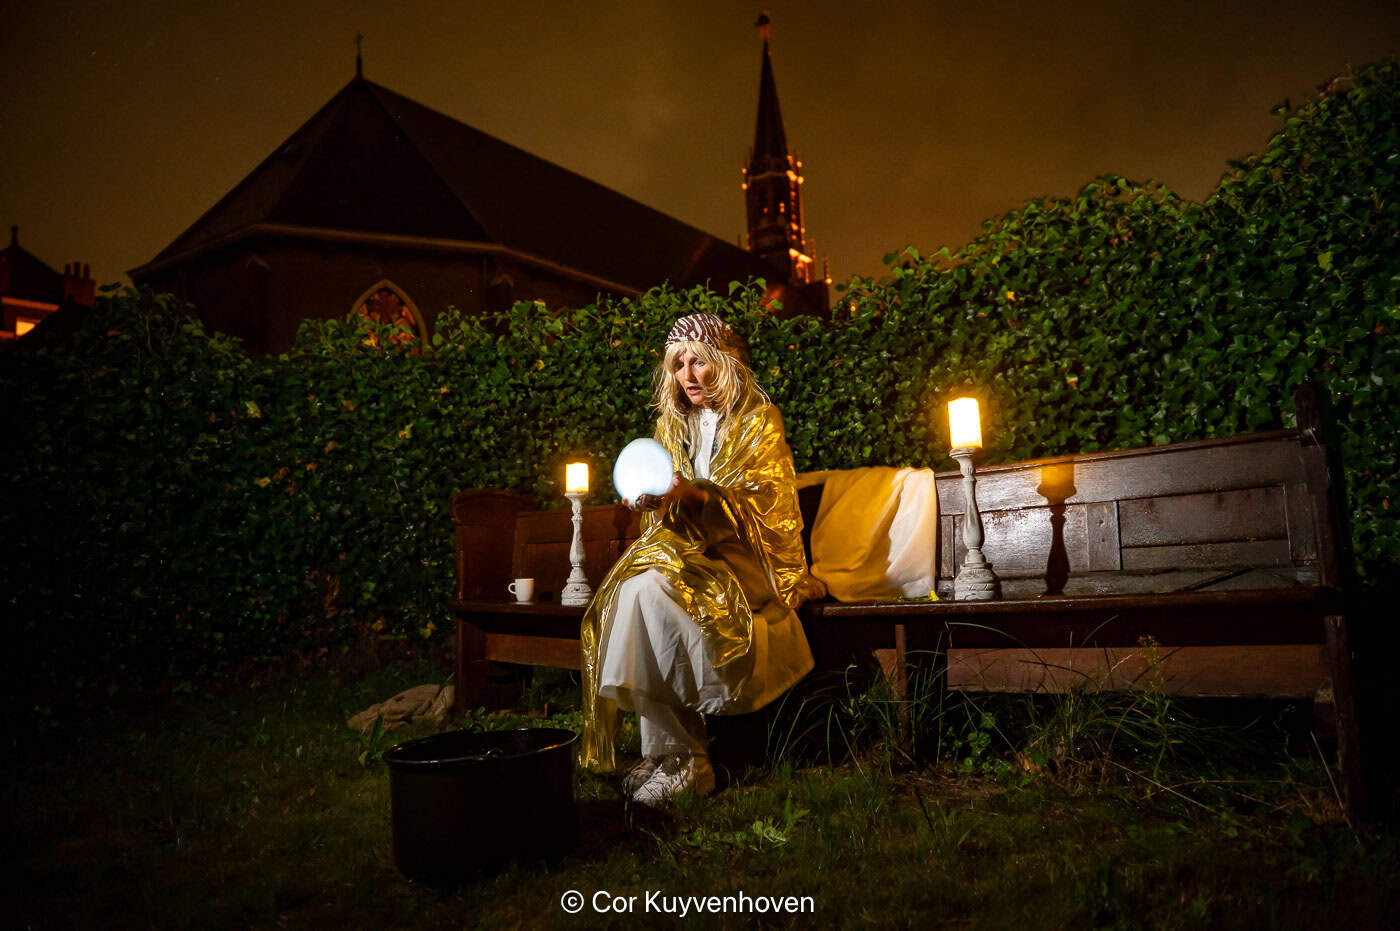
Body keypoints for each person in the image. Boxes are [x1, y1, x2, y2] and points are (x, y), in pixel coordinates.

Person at [578, 312, 816, 805]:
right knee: (634, 589)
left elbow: (763, 503)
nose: (688, 375)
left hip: (741, 558)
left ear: (724, 364)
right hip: (685, 555)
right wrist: (652, 501)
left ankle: (685, 760)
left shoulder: (758, 421)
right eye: (679, 364)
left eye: (699, 362)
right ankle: (669, 755)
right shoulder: (670, 429)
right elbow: (665, 509)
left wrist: (693, 495)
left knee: (650, 590)